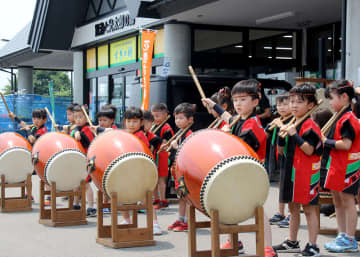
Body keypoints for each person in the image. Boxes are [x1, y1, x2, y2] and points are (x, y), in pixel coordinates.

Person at [202, 79, 276, 257]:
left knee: (258, 210)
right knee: (229, 206)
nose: (238, 103)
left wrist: (227, 137)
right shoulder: (240, 119)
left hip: (252, 173)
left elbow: (241, 147)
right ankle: (234, 241)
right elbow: (229, 117)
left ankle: (268, 247)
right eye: (235, 100)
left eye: (243, 99)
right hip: (237, 172)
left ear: (255, 102)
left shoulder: (253, 123)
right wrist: (214, 106)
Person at [273, 84, 323, 257]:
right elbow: (280, 152)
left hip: (306, 174)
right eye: (291, 101)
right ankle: (292, 242)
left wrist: (294, 134)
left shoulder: (310, 125)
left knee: (309, 209)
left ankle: (313, 245)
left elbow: (309, 150)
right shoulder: (291, 123)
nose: (294, 105)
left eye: (299, 102)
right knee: (292, 208)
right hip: (289, 172)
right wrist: (281, 135)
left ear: (310, 105)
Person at [321, 80, 360, 253]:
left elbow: (345, 144)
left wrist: (324, 141)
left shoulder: (349, 119)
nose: (330, 102)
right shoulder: (340, 116)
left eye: (332, 98)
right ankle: (342, 234)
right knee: (338, 201)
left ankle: (349, 238)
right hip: (336, 164)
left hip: (347, 165)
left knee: (348, 201)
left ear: (344, 97)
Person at [122, 107, 163, 235]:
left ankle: (154, 224)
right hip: (128, 170)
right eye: (128, 121)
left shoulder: (140, 136)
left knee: (146, 199)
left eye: (134, 122)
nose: (131, 124)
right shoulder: (126, 134)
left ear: (141, 122)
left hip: (140, 171)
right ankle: (127, 220)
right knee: (122, 197)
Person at [163, 103, 194, 232]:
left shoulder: (190, 134)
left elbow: (189, 152)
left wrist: (176, 147)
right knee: (180, 196)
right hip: (178, 170)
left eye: (181, 118)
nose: (178, 121)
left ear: (190, 120)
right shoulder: (180, 133)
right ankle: (180, 218)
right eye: (176, 118)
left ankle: (187, 221)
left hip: (186, 170)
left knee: (187, 197)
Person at [266, 93, 292, 228]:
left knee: (289, 186)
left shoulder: (293, 120)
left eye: (285, 104)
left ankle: (290, 214)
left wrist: (280, 124)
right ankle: (280, 212)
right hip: (275, 156)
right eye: (279, 105)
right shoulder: (278, 120)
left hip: (287, 156)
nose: (282, 107)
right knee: (280, 184)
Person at [71, 105, 96, 217]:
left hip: (85, 160)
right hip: (78, 159)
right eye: (76, 117)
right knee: (76, 183)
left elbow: (87, 142)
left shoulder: (88, 129)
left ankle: (91, 206)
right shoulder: (78, 128)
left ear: (87, 117)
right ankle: (76, 203)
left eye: (80, 117)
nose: (78, 120)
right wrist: (75, 130)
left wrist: (79, 134)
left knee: (85, 184)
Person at [151, 103, 174, 209]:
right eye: (153, 116)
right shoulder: (153, 126)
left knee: (161, 180)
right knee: (154, 179)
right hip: (154, 154)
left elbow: (166, 143)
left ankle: (163, 200)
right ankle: (155, 199)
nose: (154, 118)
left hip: (163, 156)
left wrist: (156, 139)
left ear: (165, 115)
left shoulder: (166, 127)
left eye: (157, 116)